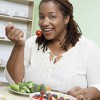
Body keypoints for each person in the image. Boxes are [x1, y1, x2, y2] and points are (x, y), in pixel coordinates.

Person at [5, 0, 100, 99]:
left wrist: (89, 93)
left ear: (66, 18)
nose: (45, 23)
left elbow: (98, 85)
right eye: (41, 17)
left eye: (52, 17)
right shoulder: (31, 43)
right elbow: (15, 81)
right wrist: (19, 45)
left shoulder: (88, 48)